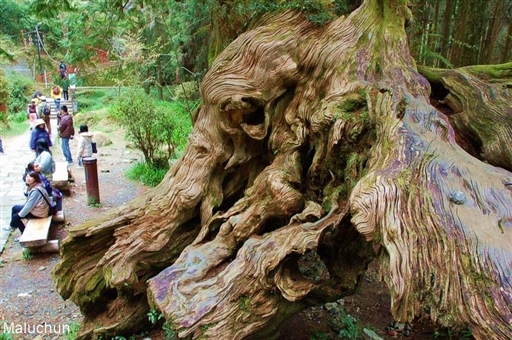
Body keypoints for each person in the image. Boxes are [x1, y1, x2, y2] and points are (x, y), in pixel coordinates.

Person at [3, 171, 51, 241]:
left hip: (40, 213)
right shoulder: (37, 185)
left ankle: (24, 234)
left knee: (15, 217)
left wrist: (20, 215)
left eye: (31, 177)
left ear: (35, 178)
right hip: (39, 208)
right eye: (27, 177)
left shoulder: (36, 190)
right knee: (15, 208)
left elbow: (29, 206)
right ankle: (12, 226)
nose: (28, 179)